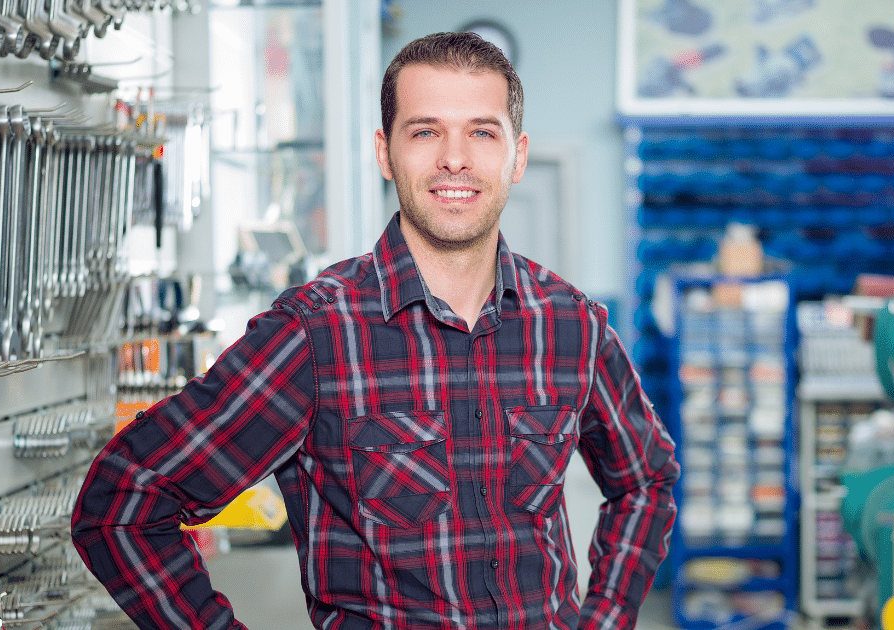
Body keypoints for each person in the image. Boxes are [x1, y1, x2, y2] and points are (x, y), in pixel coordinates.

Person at [71, 31, 680, 630]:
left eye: (481, 132)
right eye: (426, 131)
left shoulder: (572, 323)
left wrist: (602, 618)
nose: (455, 158)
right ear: (385, 152)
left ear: (516, 155)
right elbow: (123, 502)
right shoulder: (315, 335)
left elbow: (646, 480)